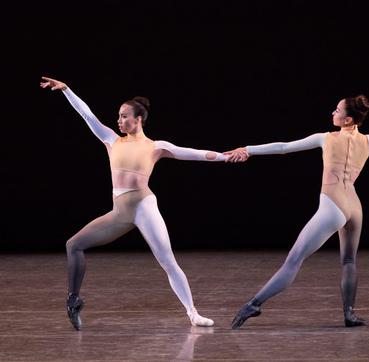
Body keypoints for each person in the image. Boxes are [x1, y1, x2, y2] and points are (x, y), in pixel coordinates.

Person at [226, 95, 369, 329]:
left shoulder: (325, 138)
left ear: (347, 119)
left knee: (294, 260)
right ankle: (349, 313)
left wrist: (248, 149)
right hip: (354, 206)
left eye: (337, 111)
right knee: (348, 260)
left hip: (332, 205)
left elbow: (284, 147)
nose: (332, 113)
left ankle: (254, 304)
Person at [40, 76, 229, 330]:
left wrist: (226, 157)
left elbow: (196, 154)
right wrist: (67, 90)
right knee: (73, 244)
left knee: (168, 261)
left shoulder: (156, 146)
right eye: (118, 116)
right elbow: (87, 116)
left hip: (144, 208)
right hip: (120, 212)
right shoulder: (111, 139)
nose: (119, 120)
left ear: (138, 119)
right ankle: (73, 300)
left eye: (124, 116)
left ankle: (193, 313)